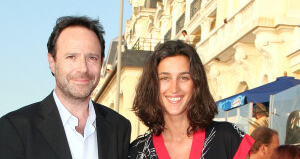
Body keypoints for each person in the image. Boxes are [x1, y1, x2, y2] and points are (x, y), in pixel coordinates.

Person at [0, 16, 131, 159]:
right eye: (71, 57)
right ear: (52, 62)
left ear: (101, 63)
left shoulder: (119, 127)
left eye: (92, 58)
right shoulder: (16, 128)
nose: (83, 68)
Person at [128, 40, 254, 158]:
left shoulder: (228, 138)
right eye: (165, 78)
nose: (174, 88)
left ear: (197, 83)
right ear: (153, 85)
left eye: (184, 78)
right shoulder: (138, 152)